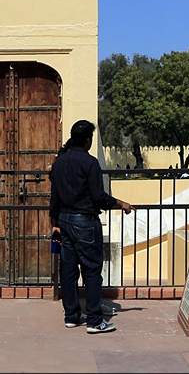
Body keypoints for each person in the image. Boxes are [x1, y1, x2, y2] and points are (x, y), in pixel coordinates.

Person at [49, 120, 133, 334]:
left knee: (68, 271)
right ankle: (95, 320)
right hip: (85, 221)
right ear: (88, 140)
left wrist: (54, 223)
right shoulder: (90, 162)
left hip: (65, 221)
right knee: (92, 270)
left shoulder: (59, 163)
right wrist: (121, 203)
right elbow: (99, 197)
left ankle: (72, 315)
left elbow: (55, 198)